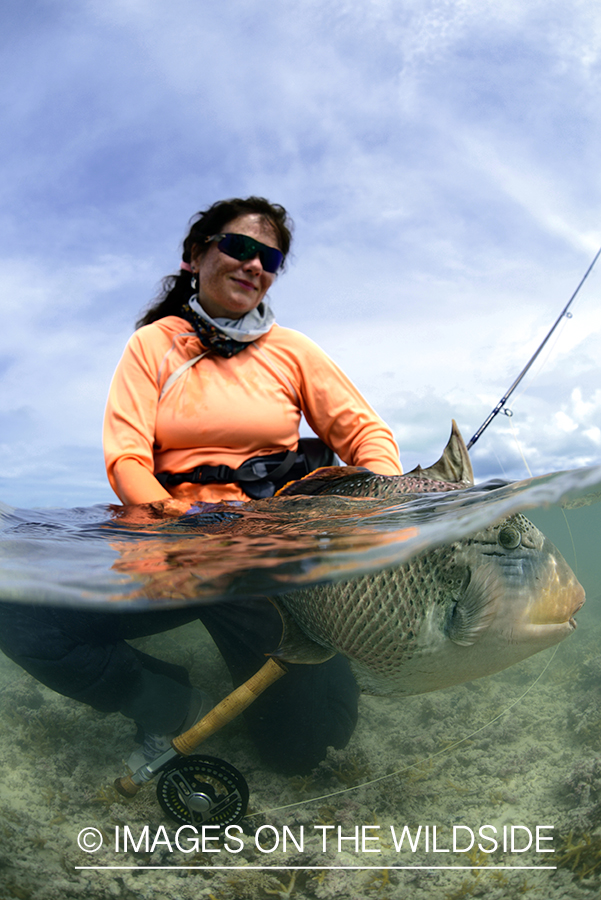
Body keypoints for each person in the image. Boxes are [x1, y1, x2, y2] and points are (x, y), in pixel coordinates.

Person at [0, 197, 402, 775]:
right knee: (18, 613)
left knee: (305, 747)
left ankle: (297, 677)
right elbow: (127, 459)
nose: (253, 264)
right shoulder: (153, 344)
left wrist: (377, 503)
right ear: (195, 255)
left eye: (270, 257)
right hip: (172, 549)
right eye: (238, 247)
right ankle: (164, 702)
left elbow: (367, 434)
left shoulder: (294, 351)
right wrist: (181, 528)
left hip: (268, 551)